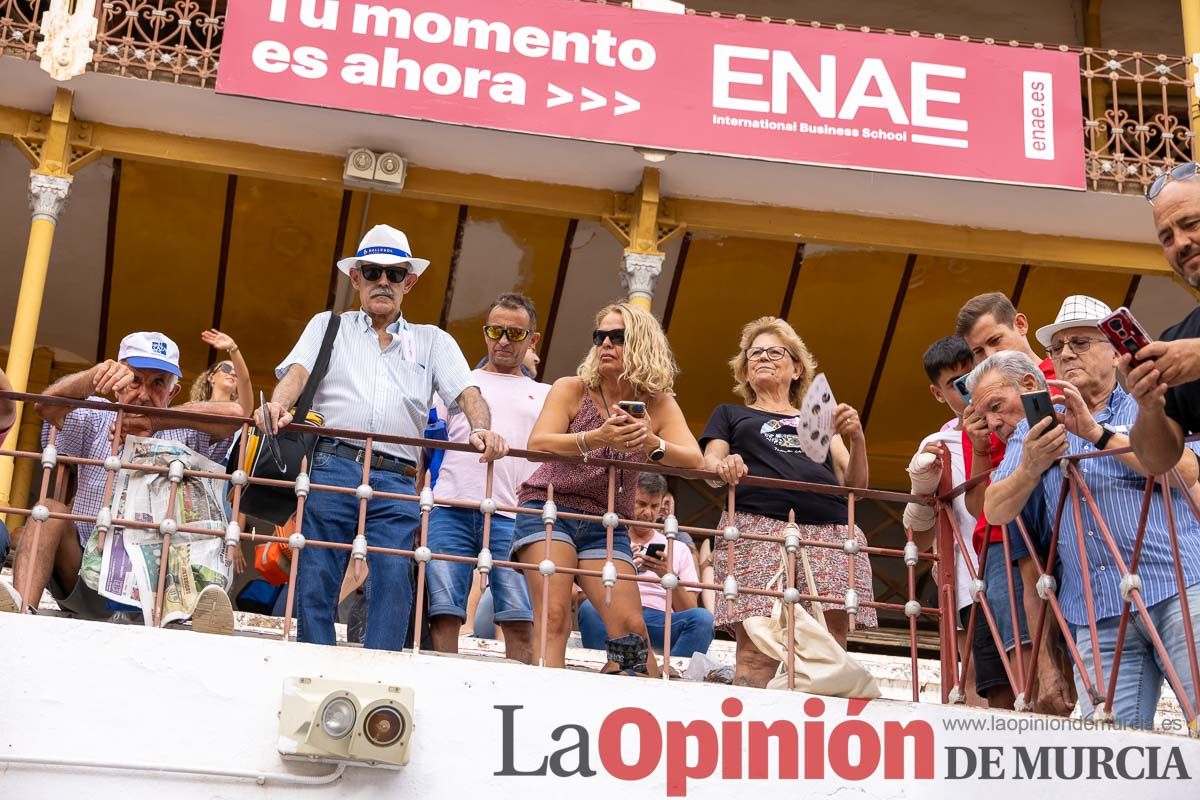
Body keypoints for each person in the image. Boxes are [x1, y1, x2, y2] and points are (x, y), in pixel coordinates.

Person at [259, 224, 507, 652]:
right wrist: (279, 404)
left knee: (393, 574)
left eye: (395, 274)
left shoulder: (433, 341)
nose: (384, 283)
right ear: (356, 279)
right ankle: (312, 659)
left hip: (396, 474)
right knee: (317, 567)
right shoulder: (327, 325)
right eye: (373, 272)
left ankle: (383, 666)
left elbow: (468, 394)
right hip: (332, 461)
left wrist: (482, 428)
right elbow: (296, 374)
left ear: (409, 282)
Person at [982, 311, 1200, 729]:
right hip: (1095, 610)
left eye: (1079, 343)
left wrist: (1096, 433)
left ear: (1116, 352)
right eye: (1056, 348)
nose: (1065, 355)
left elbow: (1185, 470)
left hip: (1176, 585)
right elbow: (995, 509)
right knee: (1109, 756)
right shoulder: (1040, 421)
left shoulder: (1148, 401)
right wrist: (1030, 466)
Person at [0, 333, 242, 631]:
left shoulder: (186, 429)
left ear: (173, 391)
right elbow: (47, 407)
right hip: (86, 580)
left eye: (158, 383)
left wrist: (156, 422)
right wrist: (92, 377)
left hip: (163, 591)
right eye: (134, 379)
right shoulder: (96, 415)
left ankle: (197, 614)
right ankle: (20, 619)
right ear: (116, 381)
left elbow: (235, 414)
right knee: (46, 512)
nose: (143, 393)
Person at [512, 302, 703, 677]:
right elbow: (538, 445)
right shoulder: (573, 389)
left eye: (618, 337)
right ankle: (542, 705)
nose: (606, 345)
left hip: (606, 521)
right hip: (550, 507)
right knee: (553, 616)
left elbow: (693, 459)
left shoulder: (658, 403)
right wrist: (596, 437)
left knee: (631, 630)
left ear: (642, 344)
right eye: (600, 337)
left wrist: (651, 442)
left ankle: (634, 709)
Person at [701, 316, 875, 688]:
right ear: (745, 370)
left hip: (829, 531)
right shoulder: (730, 414)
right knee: (756, 646)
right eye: (754, 353)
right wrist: (725, 463)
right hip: (755, 527)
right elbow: (709, 465)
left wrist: (857, 437)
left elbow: (855, 486)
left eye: (774, 352)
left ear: (797, 368)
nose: (762, 357)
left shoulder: (819, 419)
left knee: (831, 644)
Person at [426, 293, 548, 663]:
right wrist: (421, 502)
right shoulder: (456, 384)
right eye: (495, 331)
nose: (504, 341)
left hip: (517, 515)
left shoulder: (547, 394)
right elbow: (427, 446)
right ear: (485, 332)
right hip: (451, 504)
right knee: (444, 610)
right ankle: (443, 684)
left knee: (518, 615)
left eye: (515, 333)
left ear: (533, 339)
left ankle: (519, 699)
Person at [954, 292, 1059, 707]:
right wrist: (980, 447)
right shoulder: (977, 409)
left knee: (1088, 642)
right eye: (977, 351)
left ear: (1021, 324)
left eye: (994, 342)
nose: (986, 356)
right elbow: (981, 509)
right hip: (1000, 540)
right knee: (1023, 676)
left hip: (1068, 518)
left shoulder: (1061, 373)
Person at [902, 336, 985, 706]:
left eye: (976, 374)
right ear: (937, 394)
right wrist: (924, 482)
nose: (970, 388)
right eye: (957, 383)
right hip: (970, 577)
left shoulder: (1019, 420)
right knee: (976, 680)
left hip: (1029, 568)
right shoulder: (936, 445)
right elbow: (917, 541)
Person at [578, 472, 714, 658]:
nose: (648, 513)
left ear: (661, 509)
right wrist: (621, 570)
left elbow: (689, 610)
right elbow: (581, 597)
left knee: (703, 619)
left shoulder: (679, 548)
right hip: (616, 611)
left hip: (660, 619)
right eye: (641, 504)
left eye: (654, 506)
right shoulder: (608, 540)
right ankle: (609, 667)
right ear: (626, 501)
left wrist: (668, 576)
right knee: (589, 608)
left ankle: (670, 672)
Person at [1128, 172, 1200, 474]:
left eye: (1191, 223)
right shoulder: (1177, 337)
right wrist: (1149, 406)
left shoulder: (1188, 349)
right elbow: (1157, 460)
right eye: (1167, 237)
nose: (1181, 243)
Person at [189, 329, 253, 416]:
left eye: (236, 372)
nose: (232, 373)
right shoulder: (192, 407)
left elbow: (245, 381)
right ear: (211, 378)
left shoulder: (239, 408)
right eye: (226, 368)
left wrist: (233, 348)